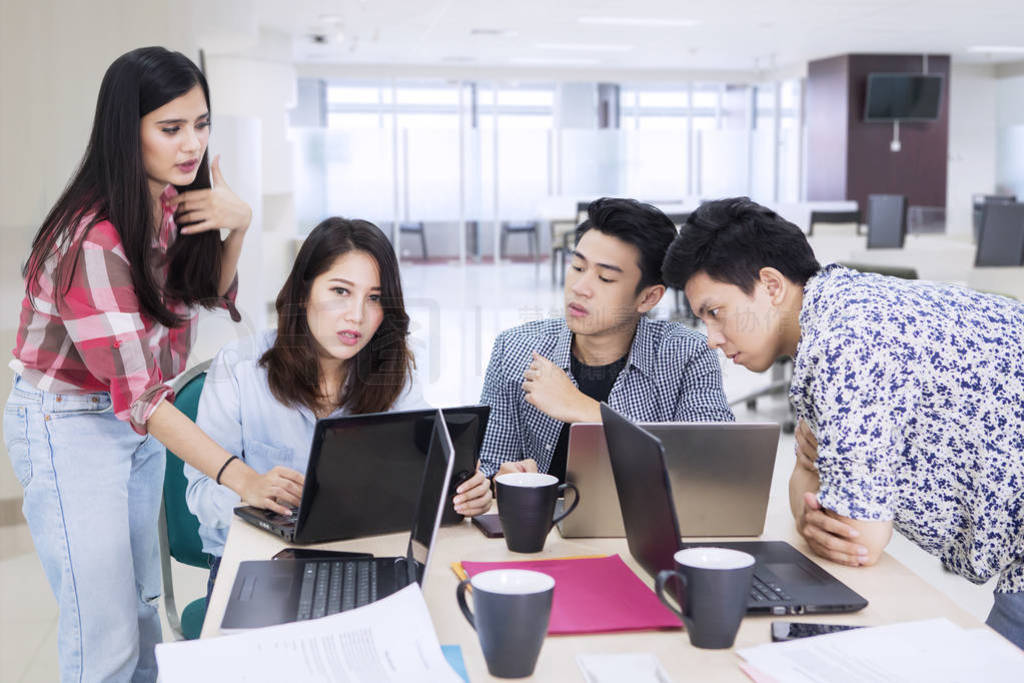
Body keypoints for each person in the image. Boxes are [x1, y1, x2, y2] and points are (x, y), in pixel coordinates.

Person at [1, 47, 304, 682]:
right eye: (171, 128)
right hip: (70, 425)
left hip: (132, 422)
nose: (191, 143)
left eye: (200, 123)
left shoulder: (167, 202)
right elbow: (139, 397)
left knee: (141, 613)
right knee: (104, 636)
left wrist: (239, 228)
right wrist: (240, 478)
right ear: (125, 128)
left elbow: (201, 294)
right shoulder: (95, 239)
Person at [662, 196, 1024, 649]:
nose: (712, 339)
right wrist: (812, 484)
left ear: (771, 286)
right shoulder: (836, 304)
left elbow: (858, 540)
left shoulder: (843, 344)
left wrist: (811, 480)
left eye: (715, 313)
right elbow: (816, 502)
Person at [185, 217, 494, 597]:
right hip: (256, 567)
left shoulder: (392, 374)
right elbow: (198, 494)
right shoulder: (239, 366)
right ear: (303, 293)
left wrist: (467, 489)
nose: (357, 316)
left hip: (362, 561)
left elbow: (435, 459)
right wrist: (250, 491)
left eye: (374, 298)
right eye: (340, 291)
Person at [478, 197, 733, 481]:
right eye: (577, 267)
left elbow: (714, 465)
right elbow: (489, 465)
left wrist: (583, 409)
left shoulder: (687, 354)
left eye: (605, 278)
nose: (580, 287)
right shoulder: (515, 350)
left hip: (643, 525)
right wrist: (496, 480)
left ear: (648, 297)